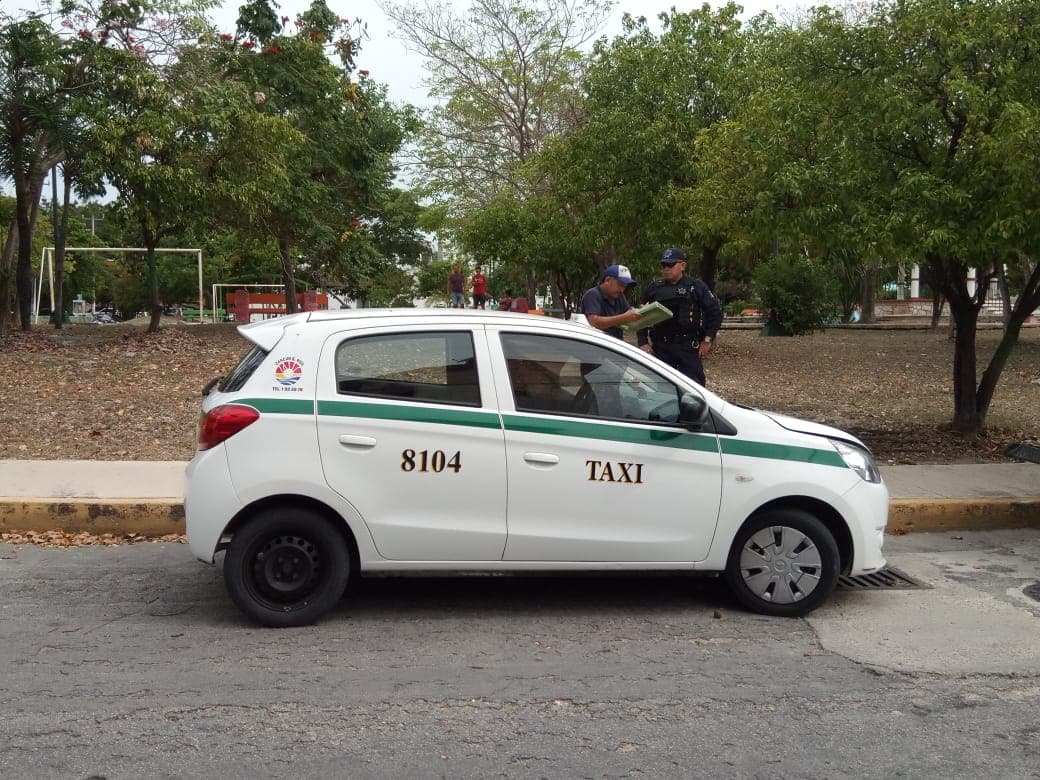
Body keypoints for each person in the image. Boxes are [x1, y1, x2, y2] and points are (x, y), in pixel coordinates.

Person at [637, 248, 723, 386]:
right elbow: (640, 314)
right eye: (663, 265)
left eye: (670, 265)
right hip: (661, 347)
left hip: (687, 347)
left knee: (694, 388)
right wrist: (642, 341)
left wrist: (707, 339)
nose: (666, 268)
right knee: (662, 387)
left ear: (682, 265)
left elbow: (715, 312)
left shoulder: (695, 287)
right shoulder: (654, 288)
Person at [580, 264, 642, 339]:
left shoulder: (619, 296)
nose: (622, 290)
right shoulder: (593, 294)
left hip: (613, 346)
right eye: (620, 285)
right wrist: (623, 318)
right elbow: (593, 322)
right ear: (607, 280)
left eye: (624, 287)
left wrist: (643, 311)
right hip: (595, 346)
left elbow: (629, 314)